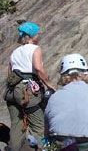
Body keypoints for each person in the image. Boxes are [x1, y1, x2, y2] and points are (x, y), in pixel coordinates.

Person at [4, 22, 56, 151]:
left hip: (12, 92)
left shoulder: (15, 52)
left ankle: (15, 148)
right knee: (37, 125)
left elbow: (10, 73)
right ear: (32, 35)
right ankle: (39, 148)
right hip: (28, 92)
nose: (39, 35)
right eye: (37, 33)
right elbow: (38, 69)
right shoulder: (35, 49)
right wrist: (50, 86)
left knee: (17, 125)